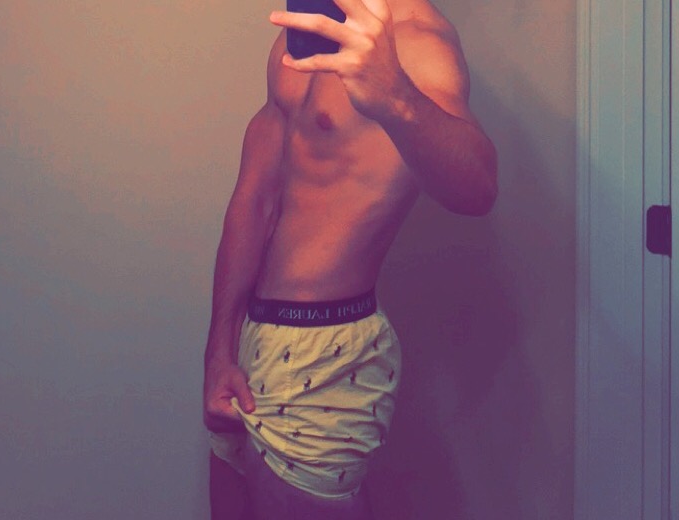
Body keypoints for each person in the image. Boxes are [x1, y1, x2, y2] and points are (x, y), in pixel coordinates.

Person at [202, 0, 497, 518]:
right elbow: (254, 198)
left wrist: (395, 95)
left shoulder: (418, 43)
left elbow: (479, 189)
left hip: (326, 348)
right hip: (249, 339)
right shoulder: (299, 36)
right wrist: (219, 349)